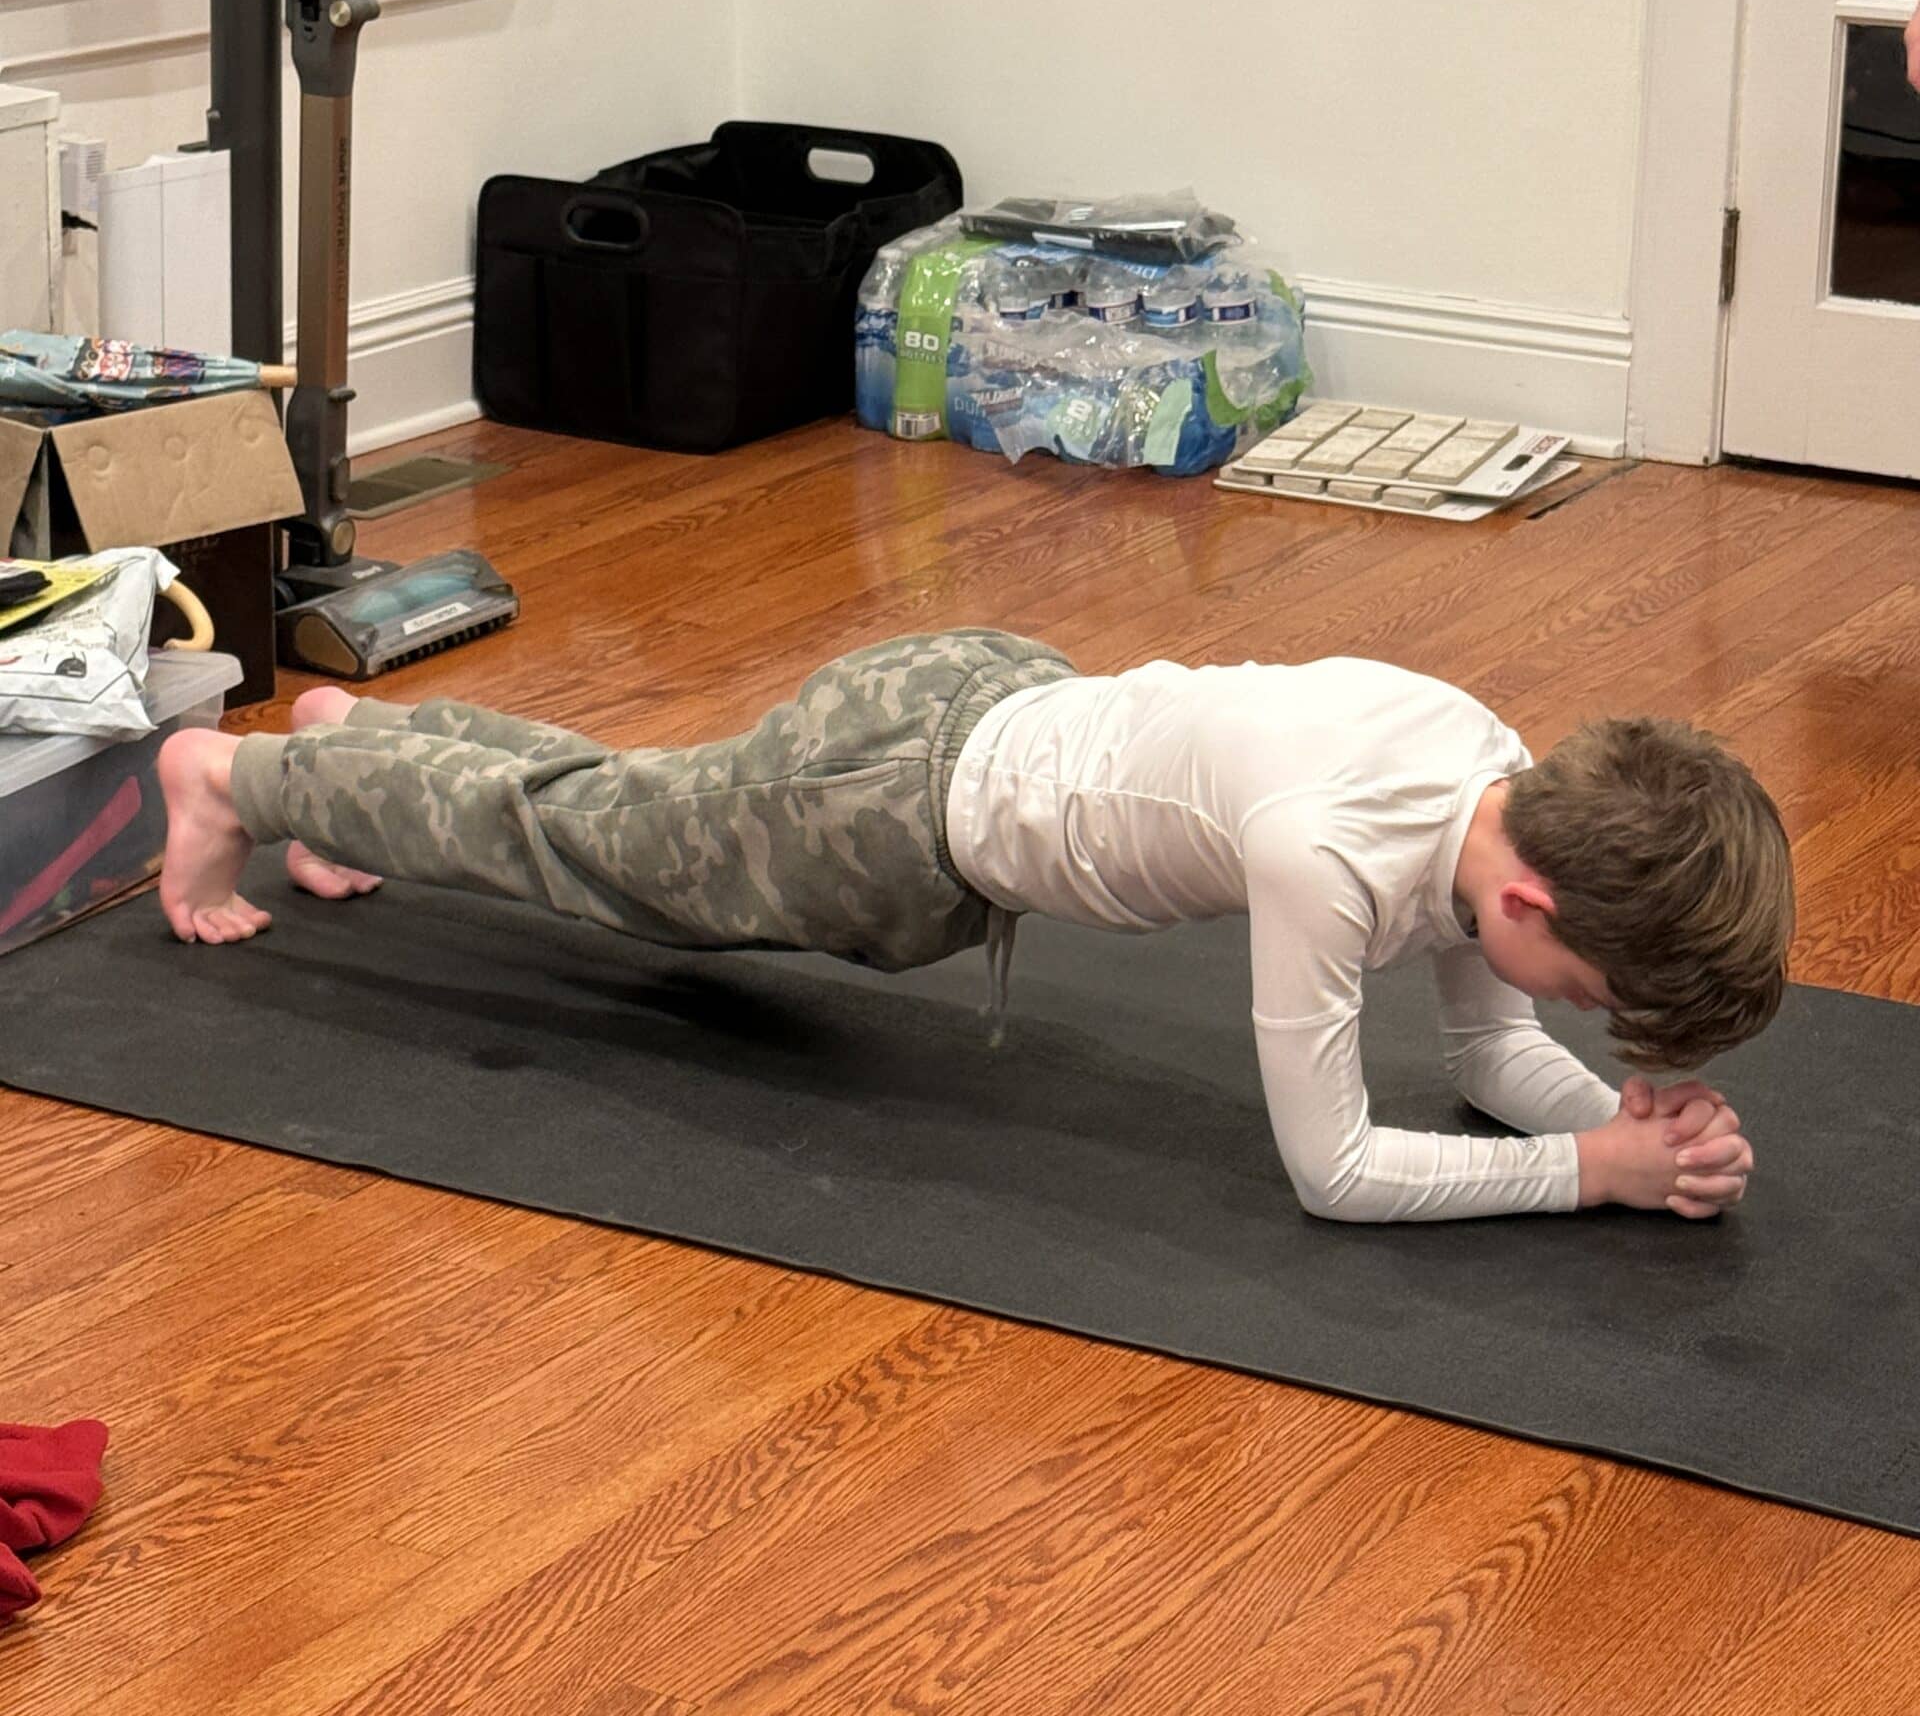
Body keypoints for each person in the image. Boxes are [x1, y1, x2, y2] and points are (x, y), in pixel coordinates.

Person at [155, 628, 1787, 1227]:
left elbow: (1496, 1047)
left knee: (626, 808)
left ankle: (351, 755)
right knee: (596, 854)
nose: (1564, 1013)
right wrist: (1597, 1172)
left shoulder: (1496, 768)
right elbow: (1338, 1171)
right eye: (1592, 989)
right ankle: (235, 776)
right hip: (888, 810)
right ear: (1530, 900)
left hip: (979, 698)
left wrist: (1624, 1123)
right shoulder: (1326, 855)